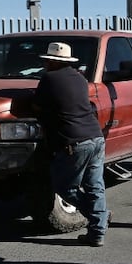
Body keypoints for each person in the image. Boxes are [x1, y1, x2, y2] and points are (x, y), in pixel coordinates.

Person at [33, 42, 108, 247]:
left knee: (64, 187)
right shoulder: (80, 78)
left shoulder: (48, 79)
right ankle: (98, 230)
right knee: (95, 186)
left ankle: (98, 216)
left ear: (53, 61)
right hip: (95, 136)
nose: (45, 63)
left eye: (48, 60)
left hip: (74, 142)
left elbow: (37, 105)